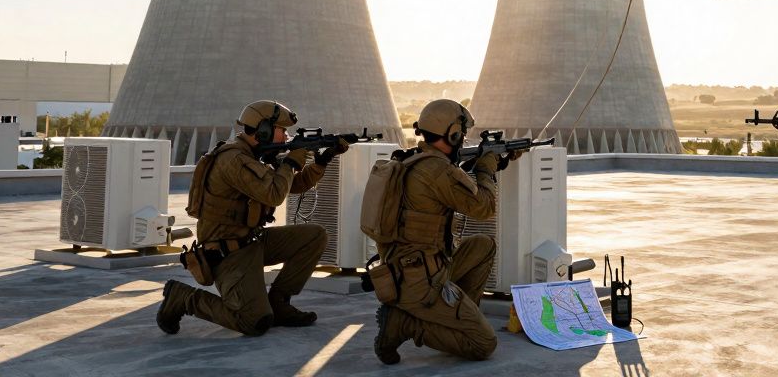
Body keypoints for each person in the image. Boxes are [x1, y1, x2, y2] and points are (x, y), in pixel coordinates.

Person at [156, 100, 348, 336]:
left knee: (315, 236)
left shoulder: (254, 156)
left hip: (252, 241)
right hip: (229, 253)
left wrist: (322, 161)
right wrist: (290, 161)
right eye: (281, 130)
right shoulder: (234, 160)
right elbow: (274, 193)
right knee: (252, 321)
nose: (286, 136)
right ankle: (183, 298)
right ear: (263, 130)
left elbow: (293, 185)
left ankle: (279, 303)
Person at [371, 99, 517, 365]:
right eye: (460, 134)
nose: (462, 140)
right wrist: (486, 168)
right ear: (452, 133)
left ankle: (454, 319)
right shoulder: (437, 170)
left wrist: (494, 164)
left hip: (414, 267)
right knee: (483, 344)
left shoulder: (416, 160)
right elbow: (484, 207)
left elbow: (451, 183)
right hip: (420, 280)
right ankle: (403, 324)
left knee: (483, 245)